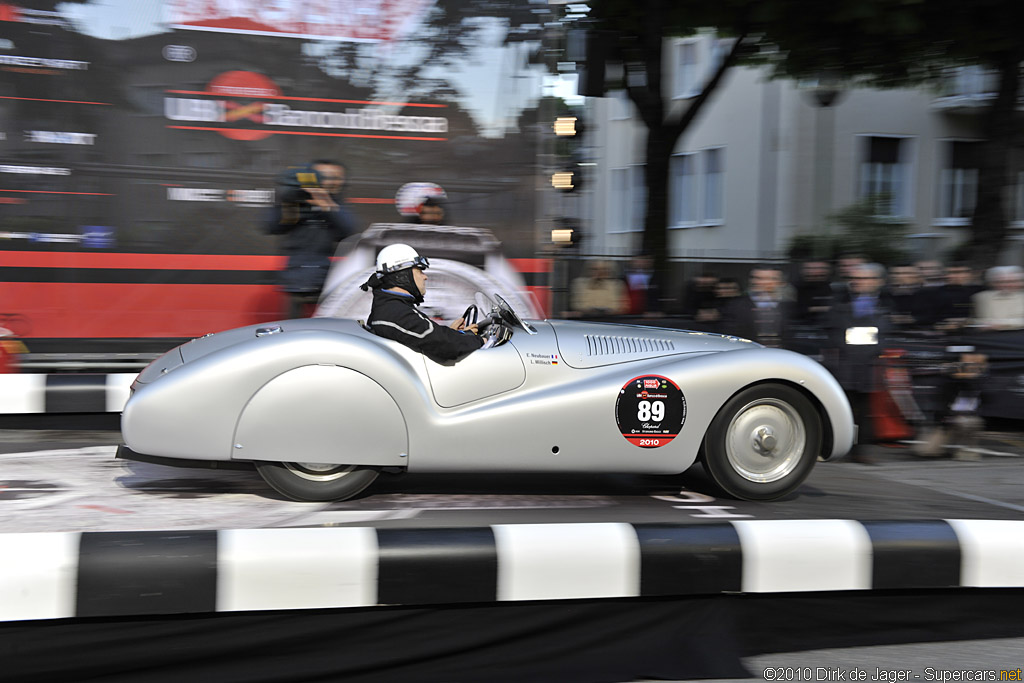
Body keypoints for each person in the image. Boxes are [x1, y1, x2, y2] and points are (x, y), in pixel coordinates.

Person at [360, 244, 484, 363]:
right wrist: (480, 340)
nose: (425, 277)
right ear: (402, 277)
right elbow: (445, 345)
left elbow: (431, 337)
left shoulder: (391, 307)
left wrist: (454, 334)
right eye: (419, 271)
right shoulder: (395, 313)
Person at [267, 159, 359, 318]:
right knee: (293, 332)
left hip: (331, 283)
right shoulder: (294, 202)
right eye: (324, 177)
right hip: (296, 281)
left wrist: (327, 205)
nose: (330, 182)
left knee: (329, 332)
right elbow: (270, 226)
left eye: (336, 178)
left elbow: (350, 231)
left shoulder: (337, 205)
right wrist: (289, 203)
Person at [824, 262, 893, 464]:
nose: (857, 282)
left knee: (865, 411)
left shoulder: (884, 306)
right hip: (844, 363)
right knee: (841, 407)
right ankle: (833, 446)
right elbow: (834, 332)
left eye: (864, 278)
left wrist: (857, 338)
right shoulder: (839, 304)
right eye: (855, 278)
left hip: (869, 365)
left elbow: (883, 336)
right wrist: (861, 338)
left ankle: (860, 450)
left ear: (877, 282)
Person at [719, 266, 794, 348]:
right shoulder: (735, 306)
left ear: (781, 283)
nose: (758, 282)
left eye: (766, 279)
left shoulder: (790, 307)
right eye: (756, 278)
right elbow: (728, 336)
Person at [971, 265, 1024, 331]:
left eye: (1011, 281)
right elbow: (973, 320)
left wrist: (1002, 324)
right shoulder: (980, 297)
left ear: (1020, 282)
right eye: (1000, 282)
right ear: (992, 283)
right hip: (989, 337)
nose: (1006, 285)